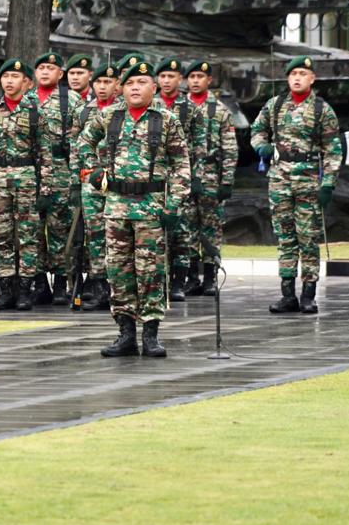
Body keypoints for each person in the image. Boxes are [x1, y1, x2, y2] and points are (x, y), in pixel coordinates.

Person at [78, 60, 190, 358]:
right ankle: (125, 333)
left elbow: (181, 165)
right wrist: (93, 172)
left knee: (151, 271)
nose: (135, 88)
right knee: (119, 272)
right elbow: (83, 143)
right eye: (130, 84)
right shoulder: (109, 116)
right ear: (121, 89)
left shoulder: (166, 120)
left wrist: (174, 204)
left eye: (142, 83)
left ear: (153, 88)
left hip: (152, 209)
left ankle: (151, 334)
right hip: (115, 207)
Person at [251, 56, 342, 313]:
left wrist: (328, 185)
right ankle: (288, 294)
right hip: (279, 179)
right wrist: (262, 147)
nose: (298, 78)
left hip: (309, 180)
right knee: (285, 237)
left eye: (303, 73)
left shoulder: (321, 109)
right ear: (288, 78)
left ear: (312, 78)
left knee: (308, 238)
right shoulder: (275, 104)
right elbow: (257, 130)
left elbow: (333, 149)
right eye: (293, 74)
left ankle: (309, 294)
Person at [0, 58, 53, 310]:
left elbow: (44, 153)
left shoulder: (35, 112)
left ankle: (24, 290)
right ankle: (7, 289)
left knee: (27, 237)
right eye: (5, 77)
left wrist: (45, 188)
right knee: (1, 236)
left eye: (15, 77)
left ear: (26, 82)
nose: (9, 81)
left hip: (27, 178)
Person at [30, 52, 84, 306]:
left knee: (60, 230)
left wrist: (75, 180)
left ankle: (61, 282)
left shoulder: (71, 100)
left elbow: (78, 144)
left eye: (50, 68)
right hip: (31, 172)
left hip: (61, 171)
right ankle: (39, 282)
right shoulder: (26, 99)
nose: (44, 72)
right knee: (32, 231)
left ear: (60, 74)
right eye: (40, 68)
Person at [153, 56, 206, 301]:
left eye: (171, 76)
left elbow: (200, 146)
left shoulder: (189, 109)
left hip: (179, 178)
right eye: (162, 76)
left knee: (182, 232)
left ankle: (178, 281)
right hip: (153, 178)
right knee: (155, 232)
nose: (166, 80)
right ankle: (157, 279)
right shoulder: (150, 105)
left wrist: (196, 177)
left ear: (180, 79)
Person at [71, 60, 120, 310]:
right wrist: (73, 182)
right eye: (99, 82)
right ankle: (100, 288)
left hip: (118, 182)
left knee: (118, 236)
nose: (103, 87)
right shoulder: (83, 110)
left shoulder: (123, 110)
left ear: (118, 85)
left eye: (108, 82)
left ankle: (119, 288)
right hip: (91, 182)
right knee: (95, 235)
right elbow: (75, 146)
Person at [186, 59, 238, 295]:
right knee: (185, 228)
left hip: (210, 177)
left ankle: (210, 277)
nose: (196, 81)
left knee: (211, 229)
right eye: (192, 77)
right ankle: (189, 276)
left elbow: (229, 148)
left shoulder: (219, 111)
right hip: (184, 177)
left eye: (200, 77)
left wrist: (226, 181)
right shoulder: (179, 108)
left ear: (209, 80)